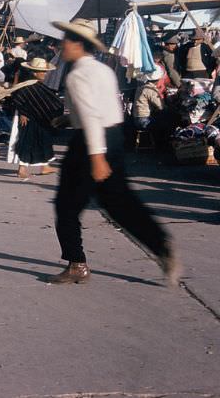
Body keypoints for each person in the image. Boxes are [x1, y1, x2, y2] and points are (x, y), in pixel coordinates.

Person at [48, 19, 179, 286]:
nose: (61, 45)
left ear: (76, 44)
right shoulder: (102, 70)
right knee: (120, 203)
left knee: (67, 205)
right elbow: (103, 108)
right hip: (114, 136)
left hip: (90, 142)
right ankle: (162, 246)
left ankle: (76, 264)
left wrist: (96, 157)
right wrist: (69, 119)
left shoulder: (76, 75)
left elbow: (92, 117)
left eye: (65, 40)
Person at [7, 58, 63, 179]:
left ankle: (45, 166)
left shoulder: (37, 85)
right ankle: (22, 169)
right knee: (27, 141)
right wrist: (23, 112)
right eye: (42, 72)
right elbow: (17, 99)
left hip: (37, 118)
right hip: (27, 118)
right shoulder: (27, 85)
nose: (45, 74)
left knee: (43, 139)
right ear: (34, 72)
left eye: (45, 71)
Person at [133, 66, 164, 130]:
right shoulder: (150, 89)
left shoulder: (141, 87)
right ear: (158, 79)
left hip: (137, 117)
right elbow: (161, 106)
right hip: (144, 119)